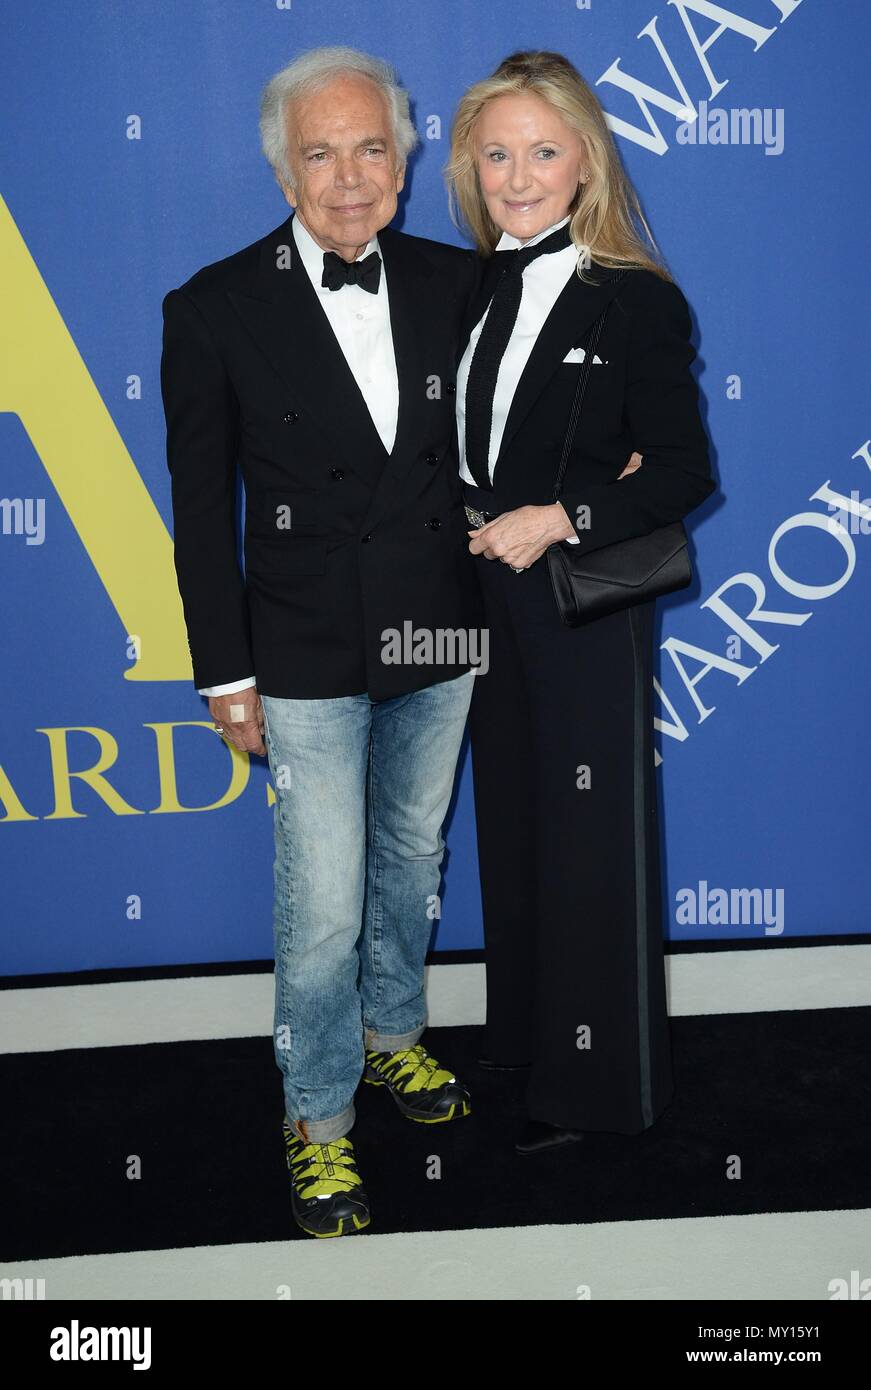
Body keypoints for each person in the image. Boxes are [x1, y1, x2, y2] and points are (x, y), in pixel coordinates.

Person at [161, 46, 482, 1237]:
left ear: (402, 160)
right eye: (321, 152)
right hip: (296, 652)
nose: (350, 177)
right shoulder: (212, 307)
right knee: (324, 906)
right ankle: (317, 1117)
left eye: (371, 150)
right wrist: (223, 668)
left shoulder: (462, 286)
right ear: (282, 167)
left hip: (437, 631)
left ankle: (393, 1035)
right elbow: (202, 508)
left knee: (411, 858)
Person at [445, 50, 716, 1153]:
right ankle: (528, 1046)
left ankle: (598, 1093)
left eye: (542, 151)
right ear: (469, 163)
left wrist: (562, 516)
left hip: (579, 604)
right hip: (473, 598)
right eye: (497, 152)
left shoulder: (636, 298)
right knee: (512, 832)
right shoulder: (460, 285)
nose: (518, 176)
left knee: (586, 838)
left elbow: (687, 472)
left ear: (585, 163)